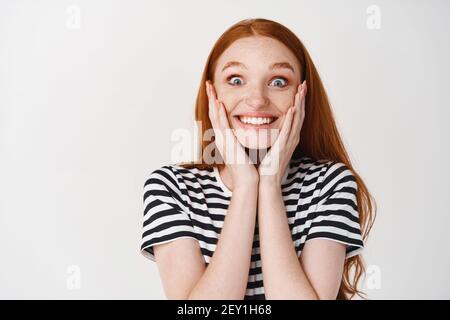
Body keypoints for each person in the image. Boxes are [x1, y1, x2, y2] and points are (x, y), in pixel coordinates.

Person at [140, 18, 376, 300]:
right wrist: (245, 186)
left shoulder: (330, 185)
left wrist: (269, 185)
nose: (256, 99)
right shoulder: (171, 188)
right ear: (211, 93)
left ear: (301, 96)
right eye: (236, 80)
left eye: (278, 82)